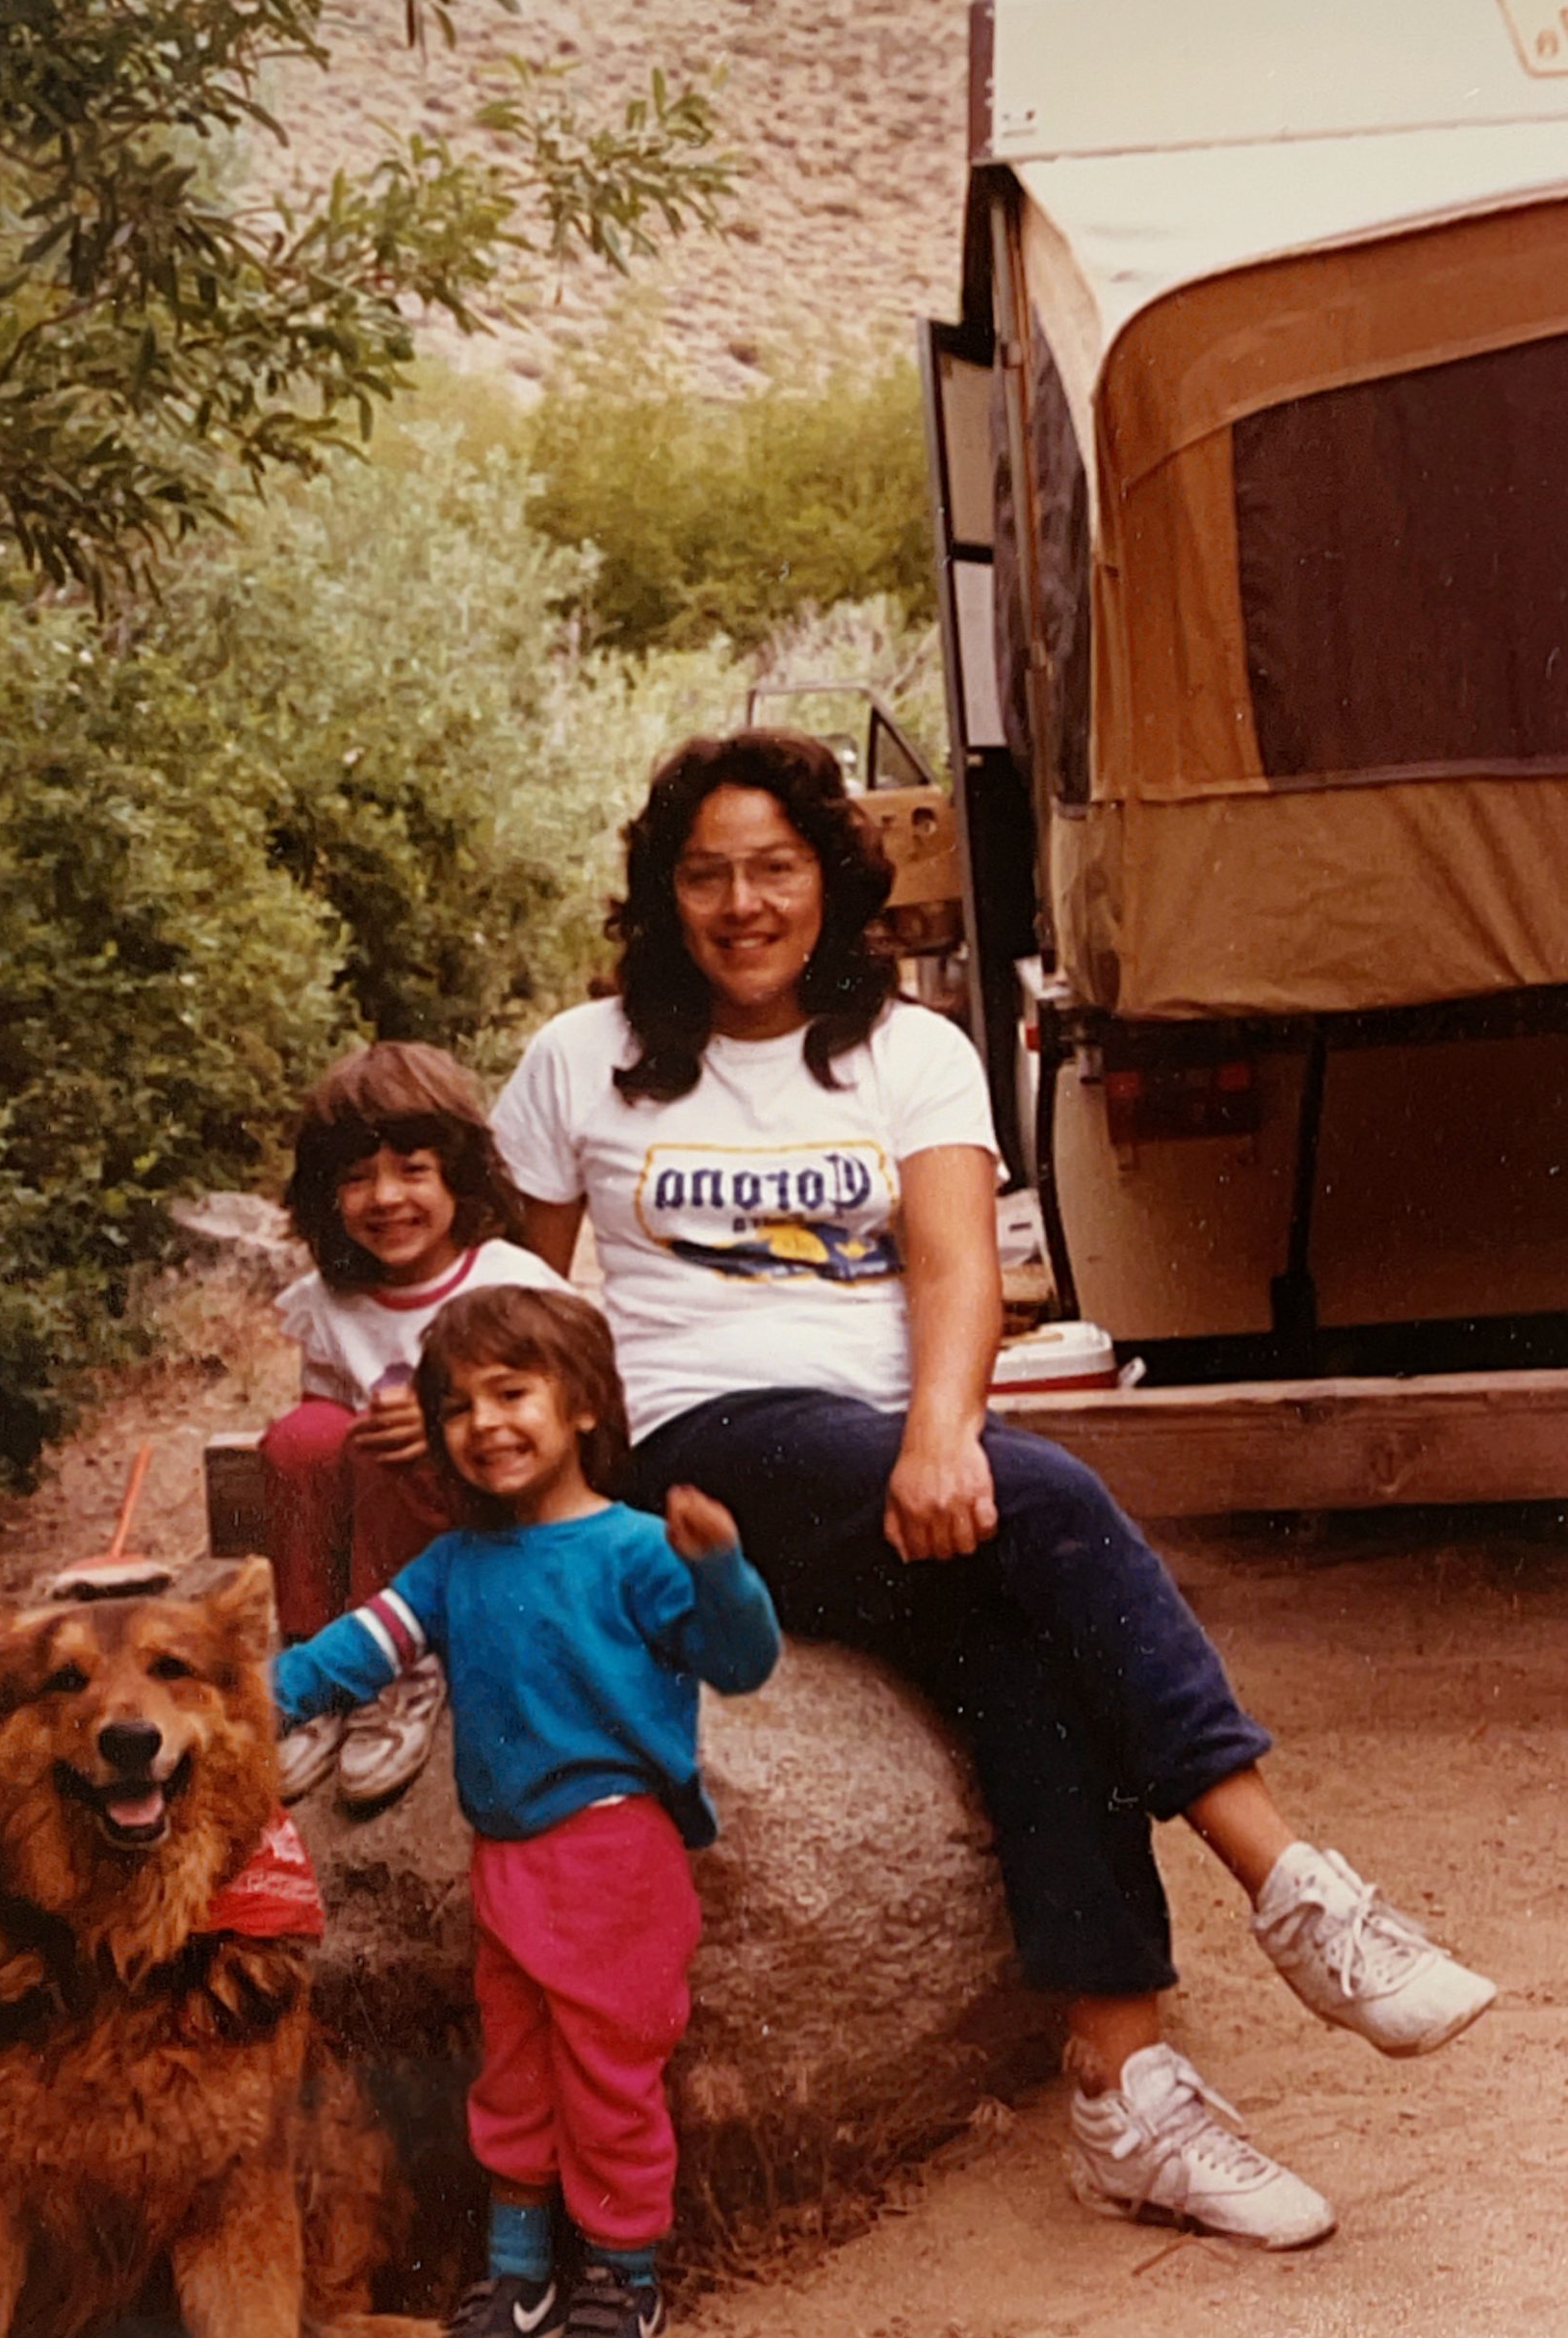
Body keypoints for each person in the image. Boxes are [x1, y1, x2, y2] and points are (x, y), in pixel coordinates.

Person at [488, 726, 1497, 2252]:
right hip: (695, 1455)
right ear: (661, 892)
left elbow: (958, 1266)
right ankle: (1288, 1881)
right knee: (1067, 1506)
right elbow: (514, 1296)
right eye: (706, 874)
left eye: (775, 867)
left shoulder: (908, 1052)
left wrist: (943, 1431)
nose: (743, 902)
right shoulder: (582, 1057)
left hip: (888, 1465)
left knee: (1032, 1650)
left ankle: (1121, 2081)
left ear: (831, 879)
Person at [272, 1284, 779, 2338]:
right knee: (513, 2072)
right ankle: (519, 2272)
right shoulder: (457, 1561)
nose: (485, 1424)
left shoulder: (637, 1549)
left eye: (514, 1392)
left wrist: (721, 1568)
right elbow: (359, 1650)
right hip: (504, 1859)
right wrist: (243, 1697)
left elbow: (740, 1662)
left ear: (585, 1404)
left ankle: (621, 2273)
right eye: (457, 1405)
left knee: (609, 2073)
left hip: (614, 1852)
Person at [263, 1041, 573, 1807]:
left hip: (472, 1526)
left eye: (412, 1170)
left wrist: (449, 1424)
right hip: (369, 1531)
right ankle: (317, 1658)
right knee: (305, 1436)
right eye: (357, 1177)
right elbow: (321, 1438)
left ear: (458, 1177)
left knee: (394, 1440)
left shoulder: (509, 1284)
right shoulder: (329, 1301)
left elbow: (560, 1424)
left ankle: (396, 1673)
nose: (385, 1197)